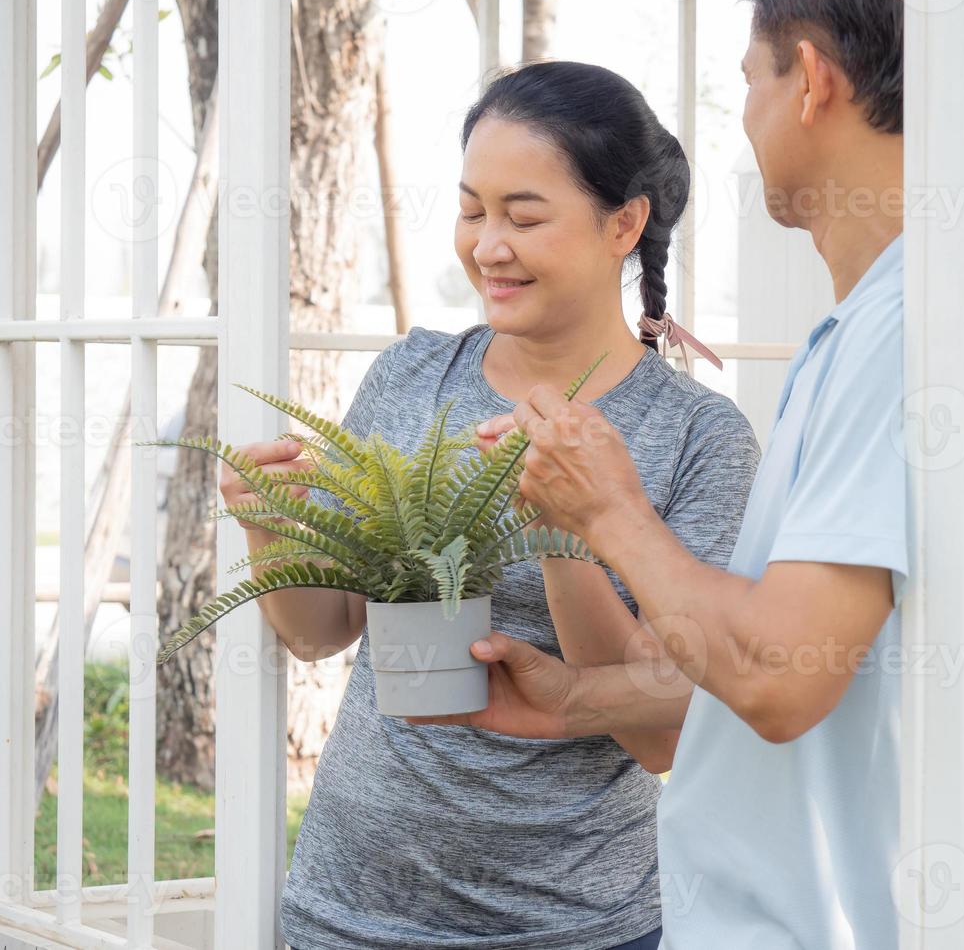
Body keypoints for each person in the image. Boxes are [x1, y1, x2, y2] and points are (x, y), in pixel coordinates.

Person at [417, 0, 964, 947]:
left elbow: (774, 674)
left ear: (808, 82)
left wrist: (610, 511)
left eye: (750, 81)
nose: (746, 118)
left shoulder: (906, 335)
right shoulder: (902, 320)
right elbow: (791, 654)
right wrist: (572, 696)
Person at [221, 61, 761, 949]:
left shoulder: (700, 436)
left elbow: (666, 731)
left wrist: (567, 526)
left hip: (574, 925)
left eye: (524, 215)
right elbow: (322, 630)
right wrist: (269, 522)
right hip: (345, 912)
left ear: (624, 223)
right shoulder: (414, 376)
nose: (486, 246)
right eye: (472, 210)